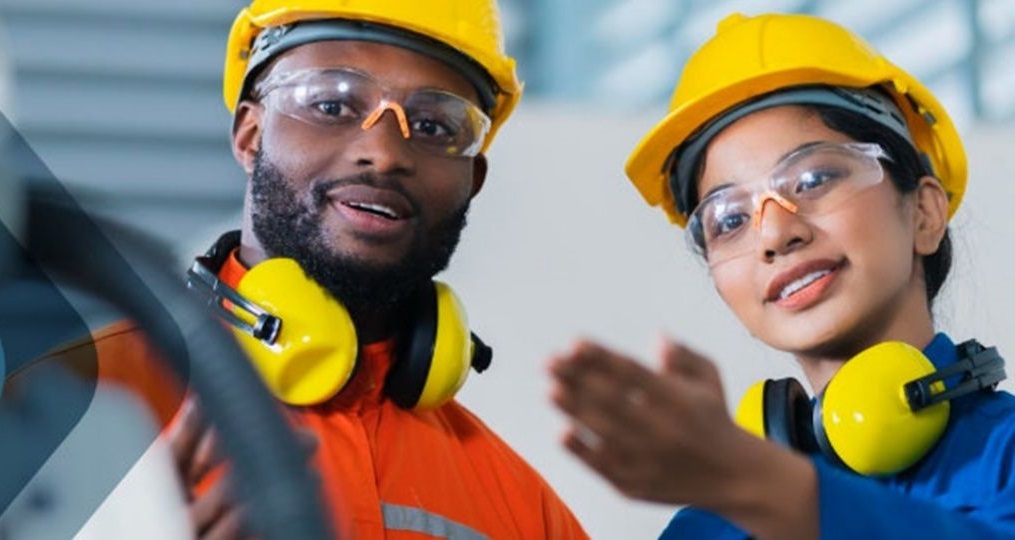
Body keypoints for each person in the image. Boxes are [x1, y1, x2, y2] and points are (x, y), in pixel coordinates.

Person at [20, 1, 589, 538]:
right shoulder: (76, 399)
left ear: (475, 180)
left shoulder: (522, 508)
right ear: (249, 134)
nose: (385, 153)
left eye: (436, 126)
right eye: (333, 104)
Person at [548, 12, 1015, 540]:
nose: (773, 235)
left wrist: (771, 491)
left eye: (813, 178)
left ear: (924, 214)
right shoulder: (706, 528)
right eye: (729, 219)